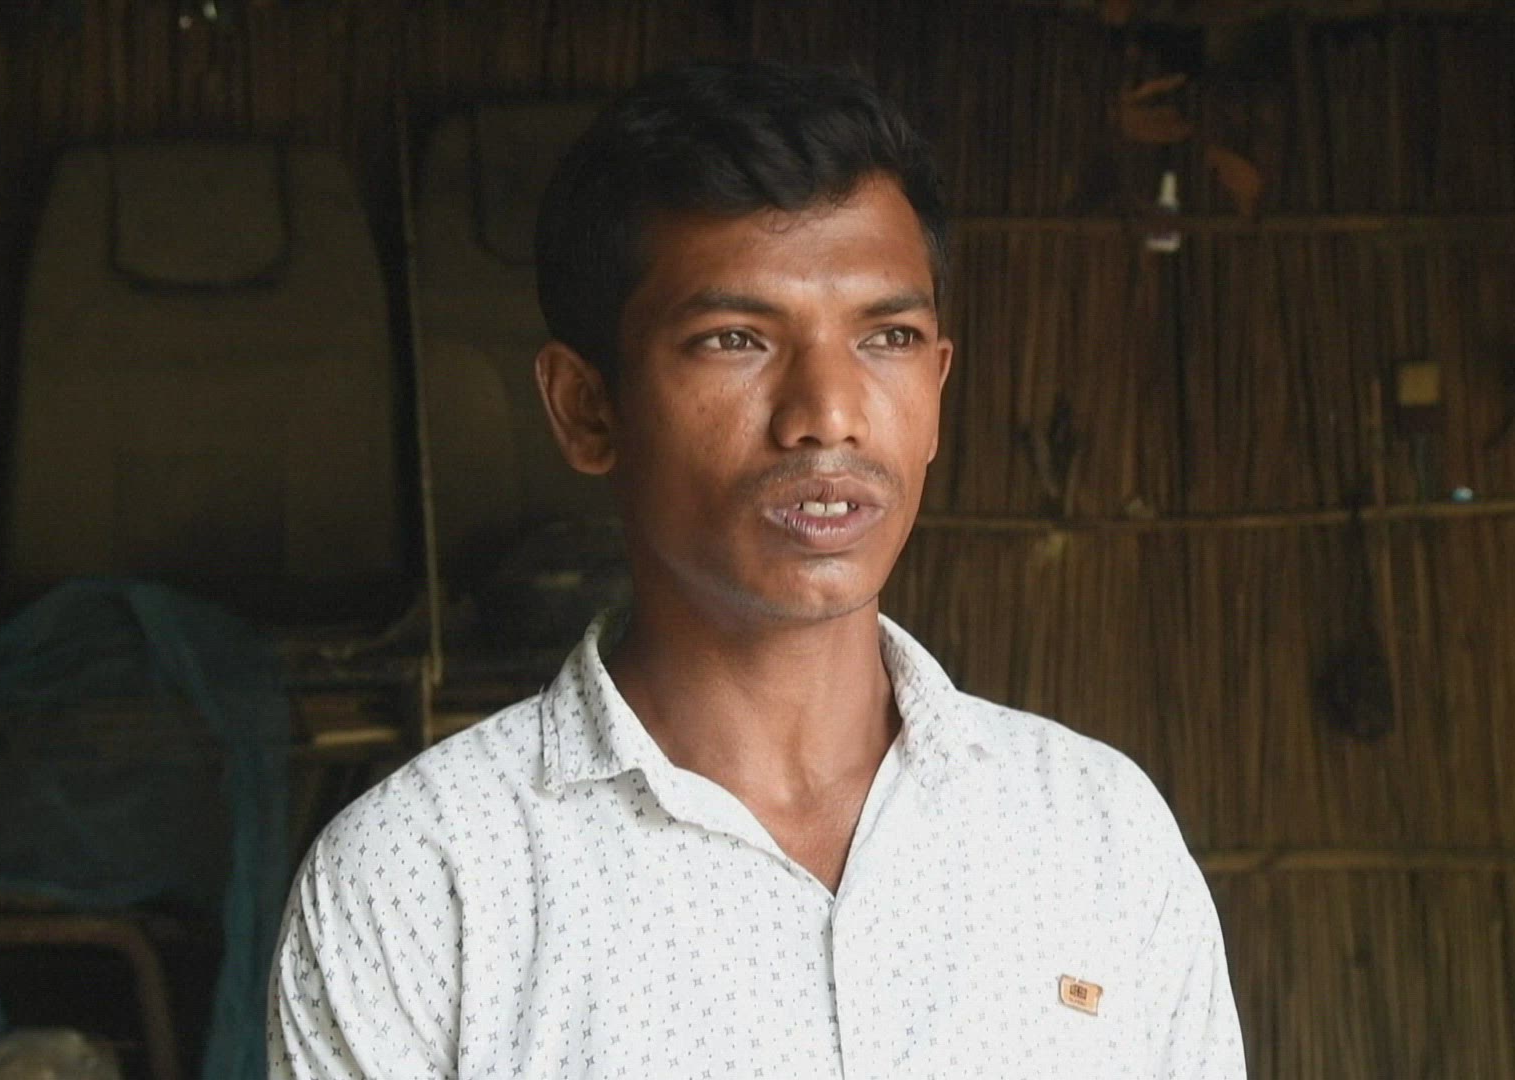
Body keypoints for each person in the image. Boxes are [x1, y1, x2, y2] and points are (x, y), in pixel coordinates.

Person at [268, 59, 1246, 1079]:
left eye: (888, 337)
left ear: (937, 390)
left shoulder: (1095, 832)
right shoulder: (421, 884)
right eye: (735, 339)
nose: (828, 412)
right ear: (587, 409)